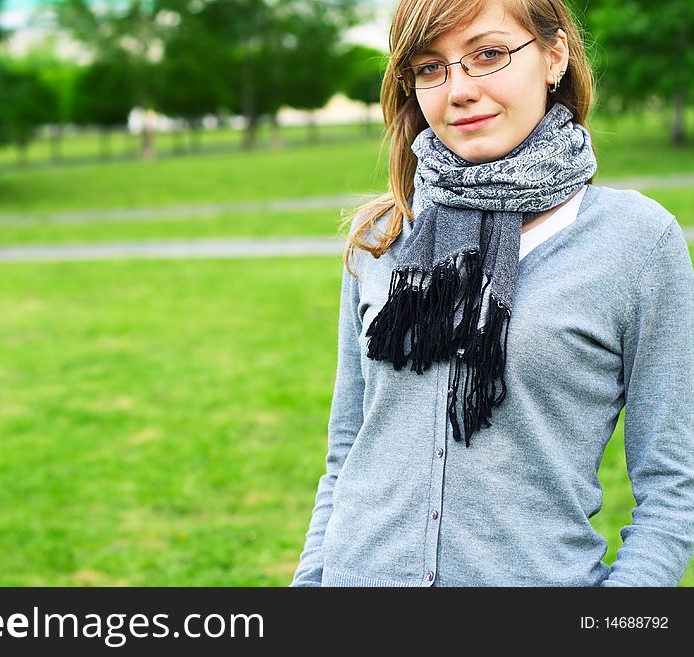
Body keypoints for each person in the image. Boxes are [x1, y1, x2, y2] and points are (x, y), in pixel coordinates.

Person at [290, 0, 694, 587]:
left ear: (554, 56)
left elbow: (672, 484)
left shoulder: (635, 242)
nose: (458, 90)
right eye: (431, 67)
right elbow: (348, 453)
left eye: (488, 54)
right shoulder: (381, 239)